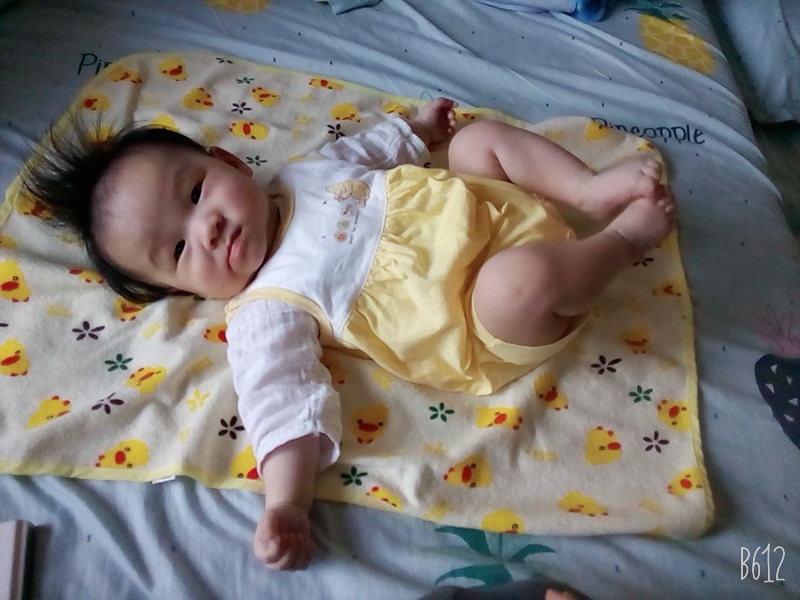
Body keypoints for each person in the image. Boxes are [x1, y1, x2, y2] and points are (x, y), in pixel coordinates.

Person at [25, 98, 675, 572]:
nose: (208, 229)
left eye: (195, 193)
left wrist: (418, 129)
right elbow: (279, 401)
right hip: (485, 315)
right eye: (177, 250)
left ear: (226, 161)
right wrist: (286, 504)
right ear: (182, 292)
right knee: (518, 282)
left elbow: (374, 149)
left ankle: (587, 190)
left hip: (492, 208)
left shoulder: (302, 173)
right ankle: (622, 240)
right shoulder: (264, 310)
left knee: (478, 143)